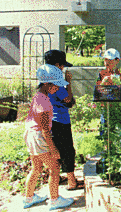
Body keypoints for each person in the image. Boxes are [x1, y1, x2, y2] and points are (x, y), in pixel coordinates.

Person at [23, 64, 74, 210]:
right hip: (39, 137)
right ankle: (54, 199)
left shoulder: (38, 97)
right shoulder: (45, 102)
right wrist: (53, 149)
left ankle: (29, 198)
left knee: (36, 168)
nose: (58, 88)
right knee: (54, 168)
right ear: (47, 84)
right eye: (56, 85)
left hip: (30, 135)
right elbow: (45, 130)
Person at [44, 50, 82, 191]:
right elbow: (69, 101)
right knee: (67, 150)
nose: (63, 69)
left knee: (56, 151)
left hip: (50, 120)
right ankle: (72, 182)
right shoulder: (57, 82)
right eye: (62, 66)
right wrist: (69, 83)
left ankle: (58, 179)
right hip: (60, 120)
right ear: (57, 65)